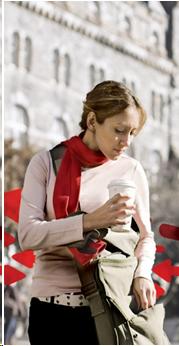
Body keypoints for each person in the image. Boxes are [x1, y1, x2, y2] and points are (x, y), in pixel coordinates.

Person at [18, 80, 156, 345]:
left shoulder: (131, 170)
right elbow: (28, 235)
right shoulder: (46, 163)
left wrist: (143, 273)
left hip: (108, 307)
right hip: (51, 310)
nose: (126, 142)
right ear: (93, 121)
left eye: (132, 133)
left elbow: (146, 237)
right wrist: (90, 221)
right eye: (119, 130)